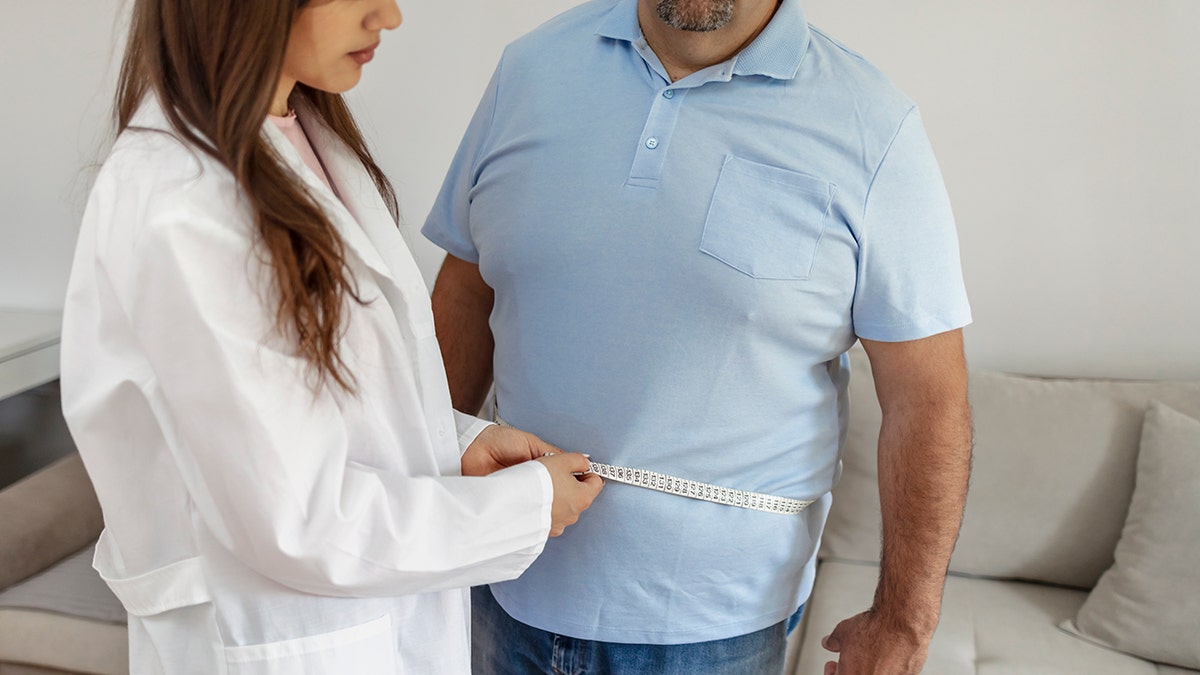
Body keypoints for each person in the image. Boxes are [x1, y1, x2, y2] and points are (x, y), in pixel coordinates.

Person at [421, 0, 973, 672]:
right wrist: (417, 489)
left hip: (715, 630)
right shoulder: (531, 69)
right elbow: (467, 284)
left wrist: (905, 622)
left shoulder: (873, 126)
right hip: (498, 576)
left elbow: (928, 397)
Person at [59, 0, 603, 672]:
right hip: (280, 631)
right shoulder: (180, 201)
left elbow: (323, 395)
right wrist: (520, 509)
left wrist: (455, 442)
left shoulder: (299, 129)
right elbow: (298, 519)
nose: (390, 16)